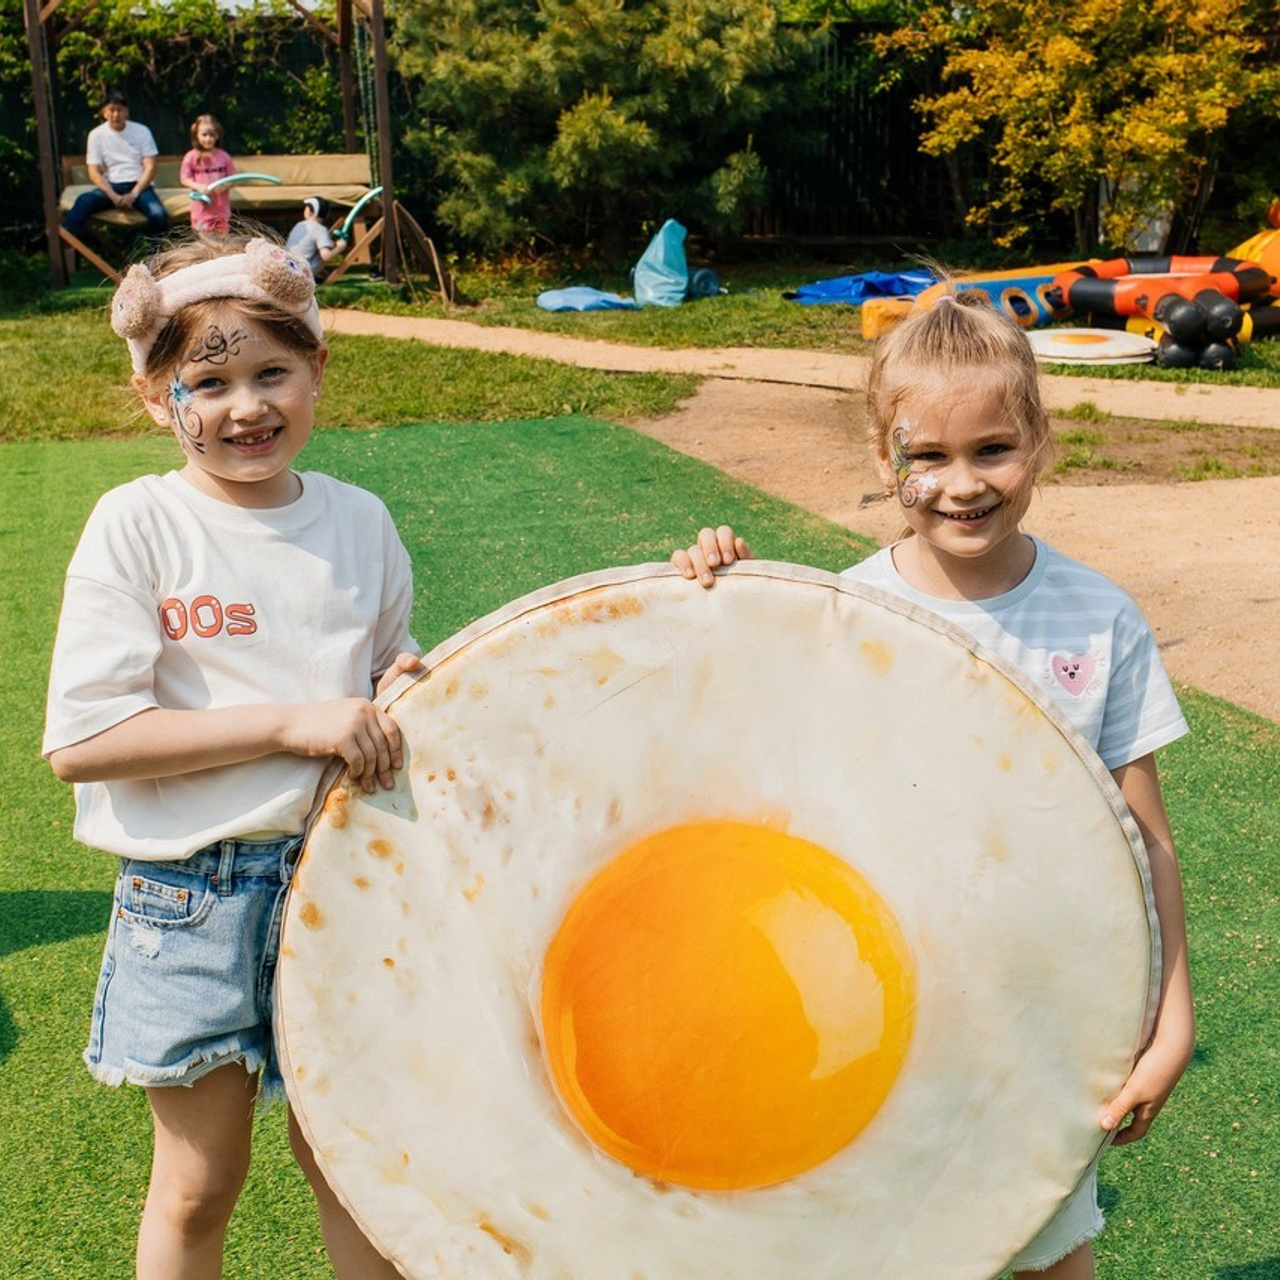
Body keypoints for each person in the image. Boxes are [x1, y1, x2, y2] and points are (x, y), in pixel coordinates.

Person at [672, 289, 1195, 1280]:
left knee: (1048, 1246)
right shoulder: (840, 611)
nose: (961, 483)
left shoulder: (1095, 616)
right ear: (883, 460)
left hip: (1044, 1018)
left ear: (1038, 442)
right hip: (880, 1019)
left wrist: (1171, 1022)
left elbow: (1147, 838)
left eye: (991, 448)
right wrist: (716, 591)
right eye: (927, 456)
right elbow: (744, 776)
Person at [42, 233, 419, 1277]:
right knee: (200, 1184)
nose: (243, 406)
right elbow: (84, 742)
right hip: (189, 898)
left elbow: (391, 660)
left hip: (343, 882)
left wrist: (401, 684)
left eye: (270, 372)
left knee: (352, 1160)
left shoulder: (359, 519)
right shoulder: (139, 525)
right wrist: (293, 720)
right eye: (205, 381)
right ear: (153, 393)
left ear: (316, 371)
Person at [62, 90, 169, 248]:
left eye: (120, 110)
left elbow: (151, 167)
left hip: (139, 186)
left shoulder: (142, 131)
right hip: (111, 186)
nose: (116, 114)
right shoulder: (96, 135)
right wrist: (112, 196)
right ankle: (67, 242)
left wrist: (134, 194)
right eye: (111, 110)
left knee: (158, 214)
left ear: (126, 111)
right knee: (83, 201)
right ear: (104, 113)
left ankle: (156, 257)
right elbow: (94, 172)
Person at [179, 113, 236, 234]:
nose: (208, 138)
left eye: (212, 135)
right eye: (204, 135)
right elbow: (184, 179)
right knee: (204, 243)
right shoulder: (191, 157)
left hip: (221, 210)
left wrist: (223, 187)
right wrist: (198, 187)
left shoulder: (224, 156)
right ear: (197, 135)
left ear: (217, 135)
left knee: (223, 240)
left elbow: (232, 178)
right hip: (201, 211)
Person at [287, 195, 339, 281]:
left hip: (289, 267)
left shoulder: (299, 225)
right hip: (303, 273)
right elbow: (326, 256)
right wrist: (340, 248)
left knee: (312, 248)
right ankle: (313, 278)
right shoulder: (320, 229)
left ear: (311, 212)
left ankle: (319, 274)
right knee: (323, 250)